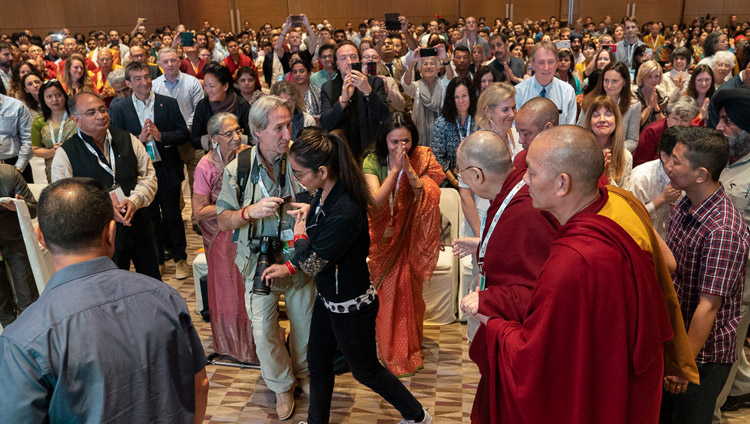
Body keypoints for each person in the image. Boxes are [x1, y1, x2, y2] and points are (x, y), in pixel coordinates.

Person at [466, 124, 672, 423]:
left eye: (532, 173)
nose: (524, 180)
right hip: (610, 387)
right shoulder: (610, 227)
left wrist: (492, 322)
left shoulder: (572, 260)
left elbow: (533, 357)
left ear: (562, 184)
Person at [0, 178, 208, 423]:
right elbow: (199, 384)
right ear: (111, 232)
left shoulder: (23, 337)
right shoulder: (166, 297)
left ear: (41, 238)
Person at [261, 127, 432, 424]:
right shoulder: (324, 194)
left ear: (323, 170)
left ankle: (417, 416)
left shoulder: (345, 209)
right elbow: (323, 248)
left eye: (300, 173)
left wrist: (300, 235)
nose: (297, 179)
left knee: (366, 371)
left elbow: (314, 263)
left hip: (351, 308)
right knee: (318, 363)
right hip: (331, 301)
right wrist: (291, 262)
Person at [216, 95, 314, 420]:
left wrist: (311, 209)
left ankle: (303, 374)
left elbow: (324, 195)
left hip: (297, 260)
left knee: (306, 325)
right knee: (263, 330)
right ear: (257, 130)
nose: (288, 135)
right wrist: (249, 212)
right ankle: (281, 385)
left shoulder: (300, 161)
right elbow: (222, 219)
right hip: (258, 263)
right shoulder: (239, 170)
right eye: (279, 128)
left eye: (290, 125)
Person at [451, 130, 558, 424]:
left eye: (463, 175)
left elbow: (541, 289)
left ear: (477, 175)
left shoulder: (525, 209)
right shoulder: (512, 195)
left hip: (522, 344)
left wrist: (489, 299)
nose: (464, 182)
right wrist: (482, 243)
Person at [661, 127, 750, 423]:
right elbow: (673, 266)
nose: (668, 165)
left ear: (701, 174)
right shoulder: (686, 201)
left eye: (676, 161)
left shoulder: (723, 230)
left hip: (702, 354)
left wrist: (682, 365)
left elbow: (708, 307)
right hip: (677, 339)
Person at [362, 111, 444, 376]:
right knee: (386, 295)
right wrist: (395, 170)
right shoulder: (372, 161)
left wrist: (408, 170)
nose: (401, 147)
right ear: (384, 140)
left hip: (411, 239)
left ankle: (410, 342)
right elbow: (374, 202)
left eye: (405, 141)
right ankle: (388, 346)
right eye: (394, 142)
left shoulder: (422, 157)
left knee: (411, 293)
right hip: (382, 241)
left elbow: (426, 194)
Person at [51, 91, 159, 279]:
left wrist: (135, 200)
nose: (100, 116)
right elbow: (65, 199)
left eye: (103, 110)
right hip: (99, 238)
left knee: (153, 282)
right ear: (76, 120)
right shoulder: (65, 154)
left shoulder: (128, 139)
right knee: (112, 290)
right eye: (91, 113)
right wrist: (105, 209)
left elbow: (148, 177)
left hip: (139, 224)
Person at [109, 61, 191, 279]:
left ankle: (180, 257)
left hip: (167, 168)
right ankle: (158, 259)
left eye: (147, 77)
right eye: (137, 78)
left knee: (173, 215)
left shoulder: (169, 103)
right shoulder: (119, 108)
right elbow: (115, 143)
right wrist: (138, 140)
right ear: (128, 83)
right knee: (150, 216)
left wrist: (162, 136)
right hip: (140, 172)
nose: (144, 82)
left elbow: (183, 134)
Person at [192, 112, 257, 364]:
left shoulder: (249, 155)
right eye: (229, 133)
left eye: (238, 130)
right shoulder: (206, 166)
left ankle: (256, 344)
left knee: (250, 285)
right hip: (221, 236)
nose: (236, 137)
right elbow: (199, 211)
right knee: (228, 288)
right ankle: (231, 346)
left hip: (250, 230)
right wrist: (232, 208)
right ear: (214, 139)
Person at [712, 88, 750, 416]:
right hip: (711, 277)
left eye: (728, 122)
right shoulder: (718, 160)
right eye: (719, 119)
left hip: (741, 282)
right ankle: (741, 389)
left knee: (725, 353)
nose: (719, 127)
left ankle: (715, 409)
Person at [320, 41, 388, 161]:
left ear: (360, 60)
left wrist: (368, 91)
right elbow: (326, 123)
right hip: (340, 154)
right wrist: (343, 101)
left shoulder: (374, 83)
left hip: (371, 151)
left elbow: (385, 116)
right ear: (337, 64)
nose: (349, 62)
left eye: (353, 57)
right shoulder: (328, 87)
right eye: (343, 58)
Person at [0, 163, 37, 327]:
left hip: (15, 240)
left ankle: (31, 332)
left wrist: (19, 207)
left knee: (27, 295)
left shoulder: (9, 174)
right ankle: (10, 335)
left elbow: (34, 208)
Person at [630, 126, 684, 239]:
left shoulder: (687, 174)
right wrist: (662, 199)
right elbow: (631, 219)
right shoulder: (641, 177)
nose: (685, 165)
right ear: (664, 156)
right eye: (679, 160)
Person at [578, 62, 641, 152]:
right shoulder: (590, 100)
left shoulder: (634, 105)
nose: (609, 85)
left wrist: (613, 150)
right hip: (589, 152)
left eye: (615, 81)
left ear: (624, 82)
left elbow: (633, 140)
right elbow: (579, 131)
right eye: (606, 80)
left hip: (618, 155)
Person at [401, 46, 453, 148]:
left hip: (442, 134)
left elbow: (450, 80)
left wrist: (445, 59)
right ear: (420, 70)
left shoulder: (442, 85)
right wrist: (411, 64)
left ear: (438, 69)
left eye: (432, 64)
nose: (429, 67)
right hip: (420, 135)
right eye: (425, 64)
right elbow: (406, 85)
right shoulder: (416, 87)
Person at [515, 41, 577, 125]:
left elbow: (570, 128)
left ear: (557, 63)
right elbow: (516, 128)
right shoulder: (519, 92)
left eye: (551, 62)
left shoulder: (568, 92)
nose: (546, 68)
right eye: (541, 62)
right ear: (532, 64)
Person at [191, 63, 250, 151]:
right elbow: (194, 140)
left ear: (225, 86)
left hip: (239, 155)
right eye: (205, 85)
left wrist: (230, 138)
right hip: (213, 157)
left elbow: (252, 138)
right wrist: (214, 139)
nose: (207, 90)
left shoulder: (242, 105)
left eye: (211, 86)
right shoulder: (203, 105)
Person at [432, 76, 477, 189]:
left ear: (470, 96)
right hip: (450, 182)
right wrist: (454, 181)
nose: (461, 101)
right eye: (456, 97)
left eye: (464, 96)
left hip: (477, 179)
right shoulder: (442, 123)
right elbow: (438, 158)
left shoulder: (479, 120)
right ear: (451, 99)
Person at [30, 80, 76, 182]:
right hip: (54, 169)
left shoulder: (76, 115)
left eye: (58, 95)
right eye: (49, 96)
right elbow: (36, 149)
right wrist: (53, 151)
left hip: (78, 164)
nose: (54, 99)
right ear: (43, 99)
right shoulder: (39, 121)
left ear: (64, 95)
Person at [633, 96, 699, 167]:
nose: (679, 124)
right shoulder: (652, 131)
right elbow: (640, 164)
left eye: (685, 120)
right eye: (675, 118)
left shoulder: (695, 132)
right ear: (667, 116)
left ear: (690, 121)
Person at [583, 95, 633, 187]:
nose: (602, 120)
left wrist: (607, 179)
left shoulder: (626, 156)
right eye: (596, 115)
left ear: (616, 121)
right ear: (589, 121)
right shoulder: (579, 152)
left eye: (608, 114)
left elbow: (624, 197)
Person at [0, 92, 33, 183]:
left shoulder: (16, 106)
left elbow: (28, 139)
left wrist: (19, 167)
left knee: (22, 197)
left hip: (14, 163)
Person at [634, 60, 669, 131]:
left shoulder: (663, 97)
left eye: (656, 76)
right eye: (649, 76)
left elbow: (665, 125)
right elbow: (636, 124)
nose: (653, 80)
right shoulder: (634, 96)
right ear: (642, 76)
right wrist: (649, 106)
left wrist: (656, 106)